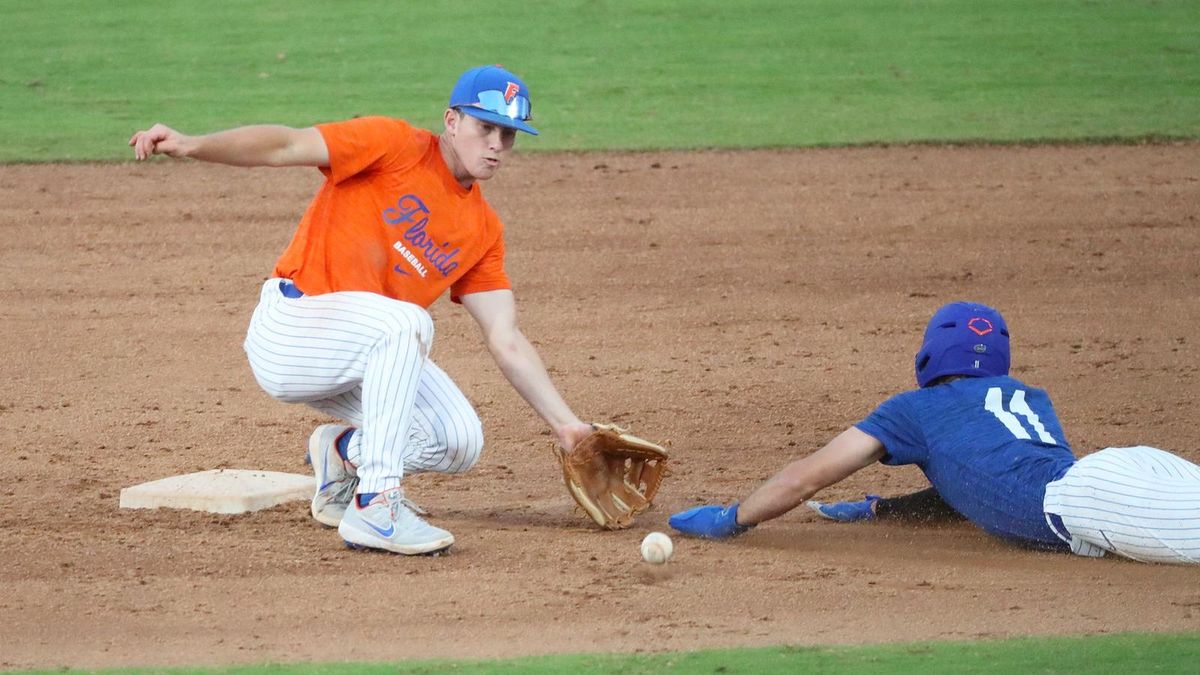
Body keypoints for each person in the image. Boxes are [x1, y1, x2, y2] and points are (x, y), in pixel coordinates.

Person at [130, 65, 594, 555]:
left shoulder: (483, 230)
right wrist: (192, 144)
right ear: (452, 120)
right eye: (486, 127)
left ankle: (342, 454)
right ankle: (377, 506)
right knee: (407, 322)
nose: (497, 144)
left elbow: (506, 337)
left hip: (361, 356)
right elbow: (286, 145)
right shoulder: (392, 145)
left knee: (457, 440)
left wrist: (568, 427)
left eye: (508, 134)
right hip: (291, 332)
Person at [669, 301, 1200, 564]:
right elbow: (973, 482)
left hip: (1095, 498)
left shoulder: (916, 409)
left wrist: (733, 517)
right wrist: (883, 510)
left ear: (931, 354)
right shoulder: (1027, 397)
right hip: (1119, 473)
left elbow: (806, 478)